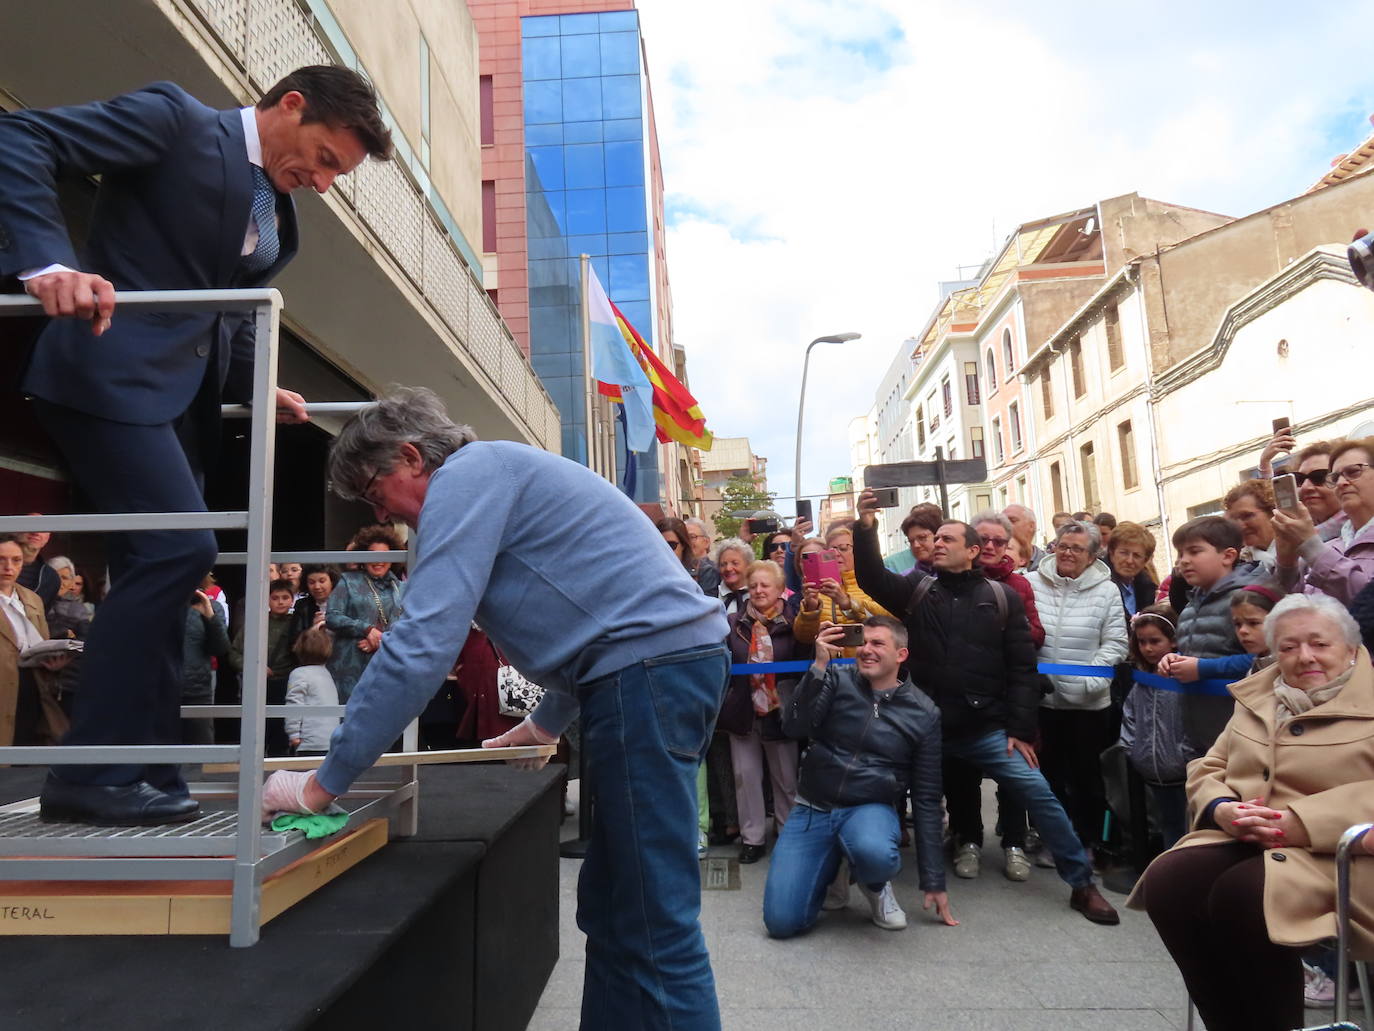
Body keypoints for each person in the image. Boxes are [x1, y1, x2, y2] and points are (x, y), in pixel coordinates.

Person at [257, 387, 730, 1029]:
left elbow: (421, 646)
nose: (387, 515)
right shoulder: (496, 473)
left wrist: (323, 782)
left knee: (652, 917)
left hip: (646, 677)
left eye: (375, 493)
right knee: (616, 906)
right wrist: (544, 721)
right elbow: (591, 611)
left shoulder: (470, 476)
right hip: (648, 673)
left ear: (410, 456)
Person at [0, 66, 391, 826]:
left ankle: (141, 767)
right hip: (106, 370)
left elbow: (224, 309)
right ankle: (91, 768)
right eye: (325, 158)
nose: (323, 180)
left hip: (181, 400)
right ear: (290, 105)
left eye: (336, 172)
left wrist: (259, 377)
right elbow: (20, 135)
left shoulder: (277, 207)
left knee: (164, 566)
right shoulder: (177, 120)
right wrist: (48, 262)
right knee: (183, 548)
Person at [851, 496, 1120, 924]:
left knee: (1040, 795)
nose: (937, 544)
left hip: (985, 729)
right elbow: (869, 576)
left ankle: (1081, 884)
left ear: (973, 550)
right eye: (935, 538)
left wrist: (1020, 728)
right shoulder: (918, 591)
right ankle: (861, 877)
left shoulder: (1001, 597)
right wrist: (865, 528)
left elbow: (1022, 668)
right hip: (925, 729)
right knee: (874, 790)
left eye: (947, 539)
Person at [1130, 593, 1374, 1031]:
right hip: (1246, 837)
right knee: (1171, 881)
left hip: (1344, 856)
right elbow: (1209, 766)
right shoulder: (1260, 694)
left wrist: (1300, 823)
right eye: (1287, 647)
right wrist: (1222, 808)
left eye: (1320, 644)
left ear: (1352, 648)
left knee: (1246, 894)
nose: (1304, 657)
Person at [762, 617, 955, 937]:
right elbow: (793, 728)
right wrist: (818, 668)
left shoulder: (924, 712)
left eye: (878, 643)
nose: (866, 650)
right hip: (814, 806)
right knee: (781, 923)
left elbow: (926, 796)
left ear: (901, 655)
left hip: (870, 810)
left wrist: (933, 880)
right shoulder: (836, 677)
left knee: (874, 852)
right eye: (863, 642)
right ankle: (833, 867)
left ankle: (874, 884)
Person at [942, 510, 1044, 881]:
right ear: (970, 544)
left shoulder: (1017, 586)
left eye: (998, 541)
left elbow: (1035, 635)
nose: (990, 547)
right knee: (961, 774)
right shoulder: (949, 581)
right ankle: (966, 838)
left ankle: (1014, 841)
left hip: (1007, 695)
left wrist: (993, 632)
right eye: (982, 539)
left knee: (1014, 770)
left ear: (1007, 547)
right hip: (962, 699)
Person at [1029, 520, 1129, 854]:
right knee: (1048, 778)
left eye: (1077, 548)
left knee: (1088, 778)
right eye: (1063, 545)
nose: (1068, 553)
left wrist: (1089, 681)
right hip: (1043, 703)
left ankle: (1086, 841)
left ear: (1092, 555)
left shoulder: (1107, 590)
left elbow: (1115, 643)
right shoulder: (1031, 583)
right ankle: (1053, 840)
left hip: (1088, 705)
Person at [720, 561, 807, 863]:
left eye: (765, 585)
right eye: (753, 585)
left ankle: (787, 833)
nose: (758, 590)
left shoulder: (795, 622)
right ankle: (752, 838)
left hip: (779, 710)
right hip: (742, 709)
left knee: (785, 778)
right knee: (746, 777)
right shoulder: (733, 623)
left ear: (780, 590)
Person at [1156, 516, 1261, 753]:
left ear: (1228, 556)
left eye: (1194, 551)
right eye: (1181, 553)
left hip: (1243, 732)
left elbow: (1267, 660)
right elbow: (1196, 651)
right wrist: (1173, 659)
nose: (1184, 561)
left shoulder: (1248, 600)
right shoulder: (1190, 605)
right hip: (1200, 731)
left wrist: (1202, 669)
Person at [1273, 436, 1374, 604]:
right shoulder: (1331, 547)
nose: (1341, 482)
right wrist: (1286, 563)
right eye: (1334, 477)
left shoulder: (1318, 549)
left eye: (1353, 472)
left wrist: (1311, 547)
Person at [1119, 606, 1188, 848]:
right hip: (1151, 769)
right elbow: (1130, 717)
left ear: (1173, 640)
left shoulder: (1185, 683)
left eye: (1155, 641)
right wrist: (1134, 751)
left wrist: (1184, 756)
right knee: (1167, 825)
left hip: (1182, 771)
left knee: (1185, 827)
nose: (1147, 648)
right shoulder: (1141, 683)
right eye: (1142, 641)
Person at [0, 534, 71, 748]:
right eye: (1, 559)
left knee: (27, 762)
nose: (8, 567)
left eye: (16, 560)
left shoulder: (31, 599)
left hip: (32, 690)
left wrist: (53, 664)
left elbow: (40, 644)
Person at [326, 525, 405, 699]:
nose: (378, 561)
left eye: (384, 556)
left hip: (389, 664)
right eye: (372, 555)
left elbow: (409, 625)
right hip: (351, 665)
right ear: (363, 556)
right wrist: (366, 629)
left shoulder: (401, 588)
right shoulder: (348, 581)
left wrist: (380, 640)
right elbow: (332, 616)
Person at [792, 523, 892, 648]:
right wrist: (811, 609)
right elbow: (804, 638)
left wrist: (848, 603)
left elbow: (891, 622)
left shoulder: (872, 582)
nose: (837, 554)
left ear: (857, 552)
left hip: (869, 661)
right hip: (830, 664)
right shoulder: (819, 591)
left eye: (843, 548)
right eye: (831, 550)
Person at [229, 578, 298, 756]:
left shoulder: (296, 623)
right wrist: (254, 668)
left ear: (292, 599)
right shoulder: (255, 623)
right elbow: (234, 653)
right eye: (275, 597)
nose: (280, 602)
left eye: (285, 597)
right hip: (259, 684)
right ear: (267, 599)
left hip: (286, 683)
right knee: (257, 728)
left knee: (282, 729)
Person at [180, 586, 231, 746]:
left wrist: (209, 615)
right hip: (160, 689)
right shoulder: (158, 603)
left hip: (196, 690)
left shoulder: (212, 606)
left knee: (199, 752)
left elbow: (221, 648)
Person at [285, 625, 340, 755]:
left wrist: (293, 734)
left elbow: (294, 704)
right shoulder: (327, 674)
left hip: (308, 741)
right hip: (330, 739)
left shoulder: (299, 674)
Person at [1106, 521, 1160, 618]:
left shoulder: (1147, 589)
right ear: (1111, 553)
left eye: (1137, 555)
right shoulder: (1099, 586)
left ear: (1145, 560)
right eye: (1124, 553)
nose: (1130, 561)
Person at [1224, 480, 1277, 570]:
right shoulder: (1236, 562)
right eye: (1234, 519)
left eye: (1247, 516)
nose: (1240, 526)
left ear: (1271, 512)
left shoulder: (1298, 549)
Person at [16, 521, 60, 612]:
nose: (35, 532)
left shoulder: (51, 578)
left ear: (47, 538)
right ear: (18, 532)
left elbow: (44, 616)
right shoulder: (4, 567)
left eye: (41, 528)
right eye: (30, 526)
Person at [288, 564, 337, 643]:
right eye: (311, 582)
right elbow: (294, 639)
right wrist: (313, 629)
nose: (317, 586)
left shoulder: (344, 603)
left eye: (322, 581)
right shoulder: (303, 605)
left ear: (332, 581)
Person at [900, 504, 942, 580]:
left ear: (937, 535)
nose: (916, 545)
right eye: (911, 541)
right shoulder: (906, 579)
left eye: (922, 538)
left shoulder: (957, 572)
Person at [714, 538, 753, 616]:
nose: (728, 568)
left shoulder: (758, 593)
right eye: (723, 564)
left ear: (748, 565)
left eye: (735, 563)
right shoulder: (711, 595)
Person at [1003, 504, 1046, 570]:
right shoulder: (989, 564)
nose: (1005, 525)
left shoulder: (1050, 565)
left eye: (1012, 520)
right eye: (1002, 521)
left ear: (1031, 526)